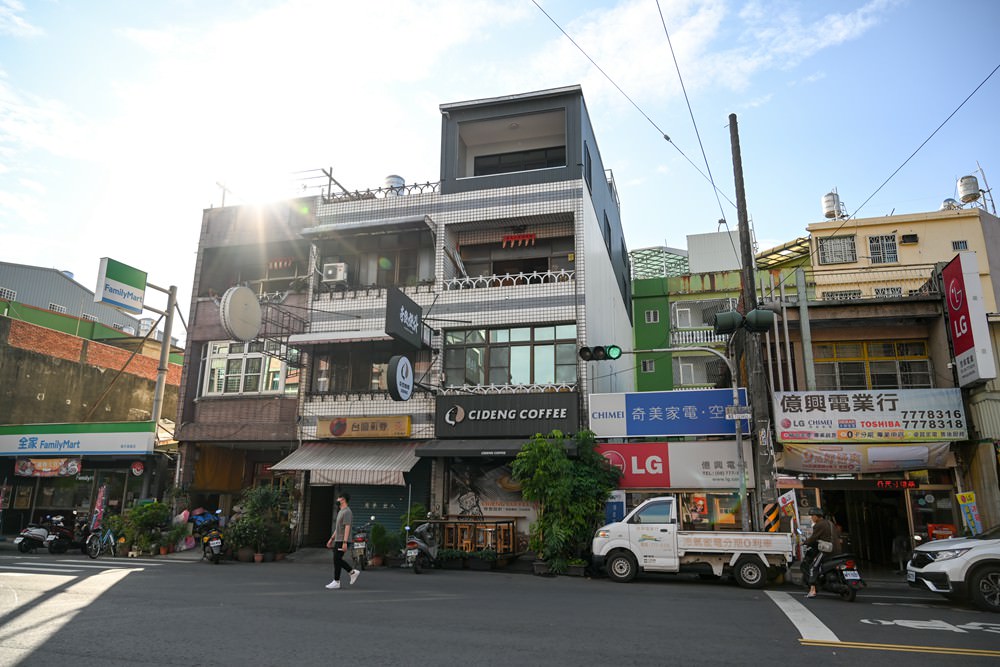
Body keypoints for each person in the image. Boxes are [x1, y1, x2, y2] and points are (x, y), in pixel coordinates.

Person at [326, 493, 361, 590]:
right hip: (338, 539)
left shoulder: (347, 512)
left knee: (337, 559)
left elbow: (347, 527)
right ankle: (337, 581)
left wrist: (345, 542)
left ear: (343, 499)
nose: (337, 499)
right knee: (336, 560)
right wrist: (331, 539)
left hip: (343, 540)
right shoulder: (341, 511)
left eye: (338, 498)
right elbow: (338, 528)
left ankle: (351, 573)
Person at [804, 507, 835, 598]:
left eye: (812, 516)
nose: (811, 518)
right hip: (836, 550)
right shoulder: (829, 523)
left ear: (818, 516)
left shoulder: (819, 525)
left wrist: (805, 542)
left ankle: (812, 590)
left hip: (826, 550)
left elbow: (813, 538)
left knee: (813, 567)